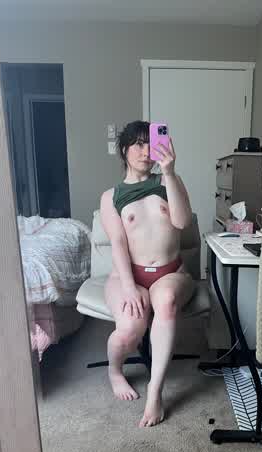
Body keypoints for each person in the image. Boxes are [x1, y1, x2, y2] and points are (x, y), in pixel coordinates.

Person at [100, 121, 195, 427]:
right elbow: (117, 243)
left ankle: (155, 391)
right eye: (138, 144)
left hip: (170, 273)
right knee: (129, 329)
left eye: (150, 144)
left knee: (165, 301)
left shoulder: (169, 182)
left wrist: (169, 172)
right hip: (128, 276)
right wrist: (129, 287)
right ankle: (115, 371)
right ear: (124, 150)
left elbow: (182, 223)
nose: (146, 151)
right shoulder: (111, 196)